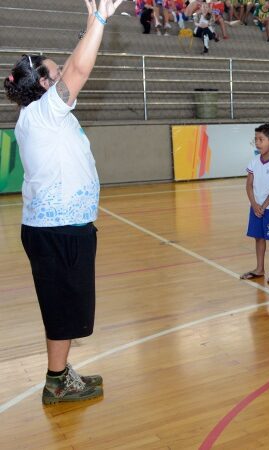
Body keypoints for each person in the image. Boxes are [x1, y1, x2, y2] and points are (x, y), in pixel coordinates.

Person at [4, 0, 127, 405]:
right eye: (53, 72)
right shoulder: (43, 113)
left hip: (60, 229)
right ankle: (56, 381)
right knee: (62, 310)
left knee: (64, 307)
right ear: (43, 84)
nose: (63, 74)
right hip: (57, 232)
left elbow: (73, 63)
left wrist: (88, 24)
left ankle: (60, 373)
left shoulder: (42, 114)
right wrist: (101, 20)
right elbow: (78, 69)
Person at [241, 124, 269, 283]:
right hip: (256, 208)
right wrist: (254, 204)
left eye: (261, 139)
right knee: (259, 238)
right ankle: (259, 268)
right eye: (256, 140)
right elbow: (249, 185)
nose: (257, 143)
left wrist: (264, 206)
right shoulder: (254, 161)